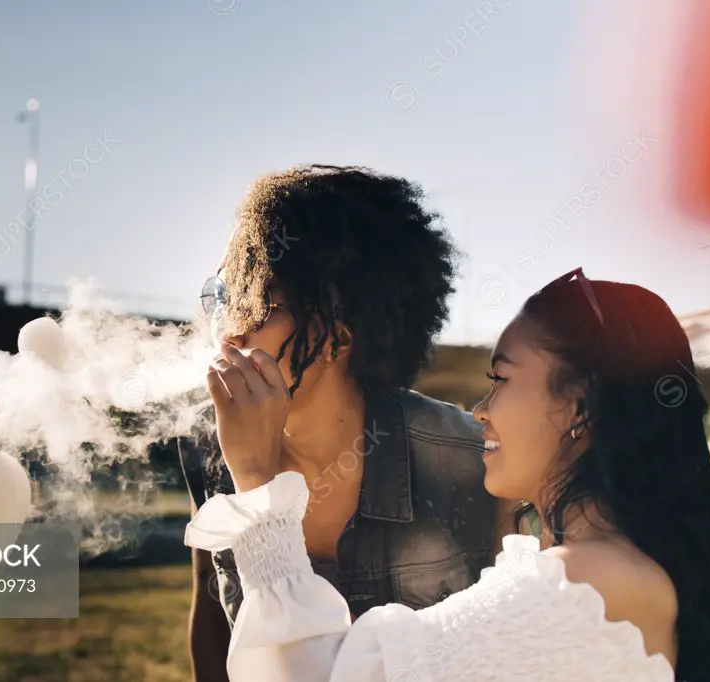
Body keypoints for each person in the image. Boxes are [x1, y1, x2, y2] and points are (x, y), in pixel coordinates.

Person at [186, 268, 710, 682]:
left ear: (581, 405)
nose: (480, 409)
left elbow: (318, 675)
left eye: (501, 379)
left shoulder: (577, 588)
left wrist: (258, 480)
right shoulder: (616, 573)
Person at [177, 165, 514, 682]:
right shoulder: (210, 442)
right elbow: (212, 610)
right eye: (223, 297)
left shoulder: (471, 459)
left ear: (338, 333)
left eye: (254, 302)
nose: (229, 330)